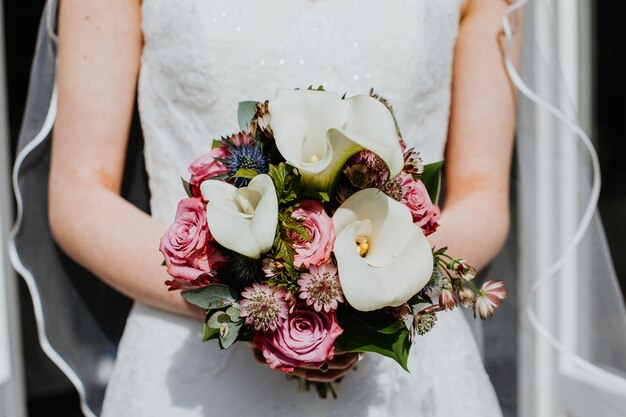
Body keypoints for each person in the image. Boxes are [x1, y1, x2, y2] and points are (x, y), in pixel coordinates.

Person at [47, 0, 519, 415]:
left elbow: (482, 195)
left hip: (407, 378)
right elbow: (79, 194)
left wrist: (376, 299)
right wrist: (256, 303)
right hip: (190, 369)